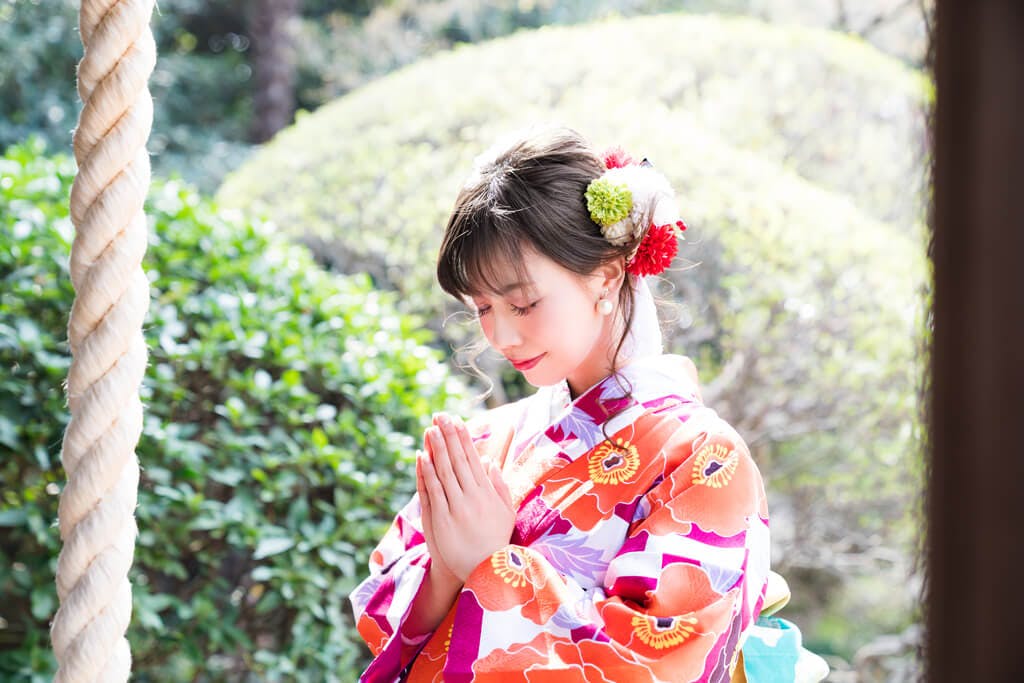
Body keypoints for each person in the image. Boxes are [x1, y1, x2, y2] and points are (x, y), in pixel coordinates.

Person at [349, 126, 826, 682]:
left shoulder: (702, 458)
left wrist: (489, 564)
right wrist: (446, 573)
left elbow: (662, 663)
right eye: (482, 307)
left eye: (522, 303)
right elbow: (384, 606)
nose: (500, 336)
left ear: (605, 276)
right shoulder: (486, 442)